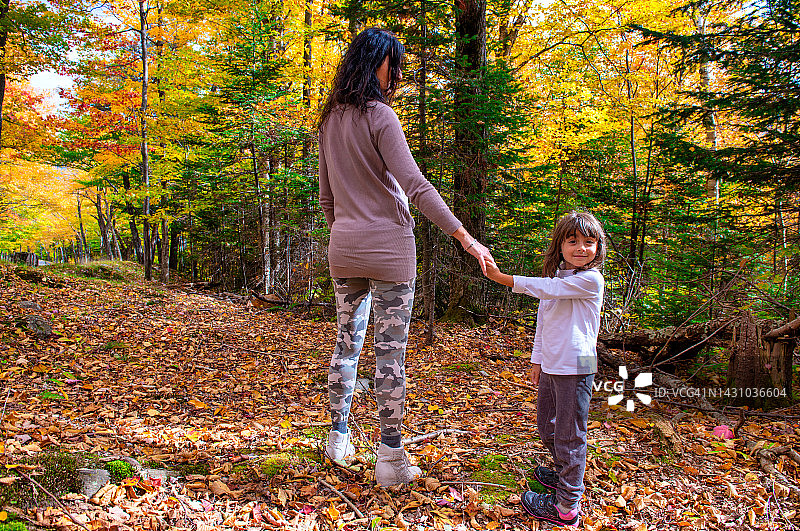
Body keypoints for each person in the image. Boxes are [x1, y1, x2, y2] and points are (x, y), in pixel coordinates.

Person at [317, 28, 493, 486]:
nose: (395, 73)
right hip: (391, 251)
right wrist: (466, 239)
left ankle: (338, 437)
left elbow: (326, 198)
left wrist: (344, 231)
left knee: (346, 343)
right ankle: (390, 460)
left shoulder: (330, 119)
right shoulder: (380, 116)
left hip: (345, 249)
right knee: (389, 355)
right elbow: (417, 187)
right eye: (391, 64)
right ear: (376, 63)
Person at [484, 211, 606, 526]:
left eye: (589, 242)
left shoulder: (590, 280)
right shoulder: (555, 281)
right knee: (547, 427)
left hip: (577, 367)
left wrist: (503, 279)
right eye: (573, 241)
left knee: (570, 434)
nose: (581, 248)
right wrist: (537, 360)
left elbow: (548, 291)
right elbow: (543, 323)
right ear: (560, 246)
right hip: (552, 365)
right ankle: (564, 472)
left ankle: (566, 507)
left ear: (597, 247)